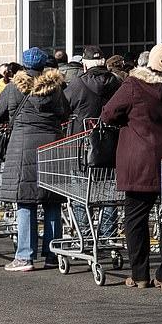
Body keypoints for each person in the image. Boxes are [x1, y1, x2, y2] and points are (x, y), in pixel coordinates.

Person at [101, 43, 162, 289]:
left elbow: (108, 113)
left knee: (136, 217)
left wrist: (129, 119)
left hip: (141, 158)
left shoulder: (134, 84)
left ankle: (140, 274)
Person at [0, 47, 70, 271]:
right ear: (43, 65)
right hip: (51, 147)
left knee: (25, 200)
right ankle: (53, 254)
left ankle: (25, 256)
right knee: (52, 200)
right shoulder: (54, 88)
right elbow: (65, 113)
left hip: (22, 147)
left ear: (24, 65)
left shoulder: (14, 87)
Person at [65, 45, 122, 238]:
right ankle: (108, 234)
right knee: (109, 191)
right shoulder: (116, 82)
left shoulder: (77, 84)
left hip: (82, 146)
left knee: (82, 191)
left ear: (85, 64)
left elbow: (64, 107)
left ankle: (84, 233)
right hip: (111, 144)